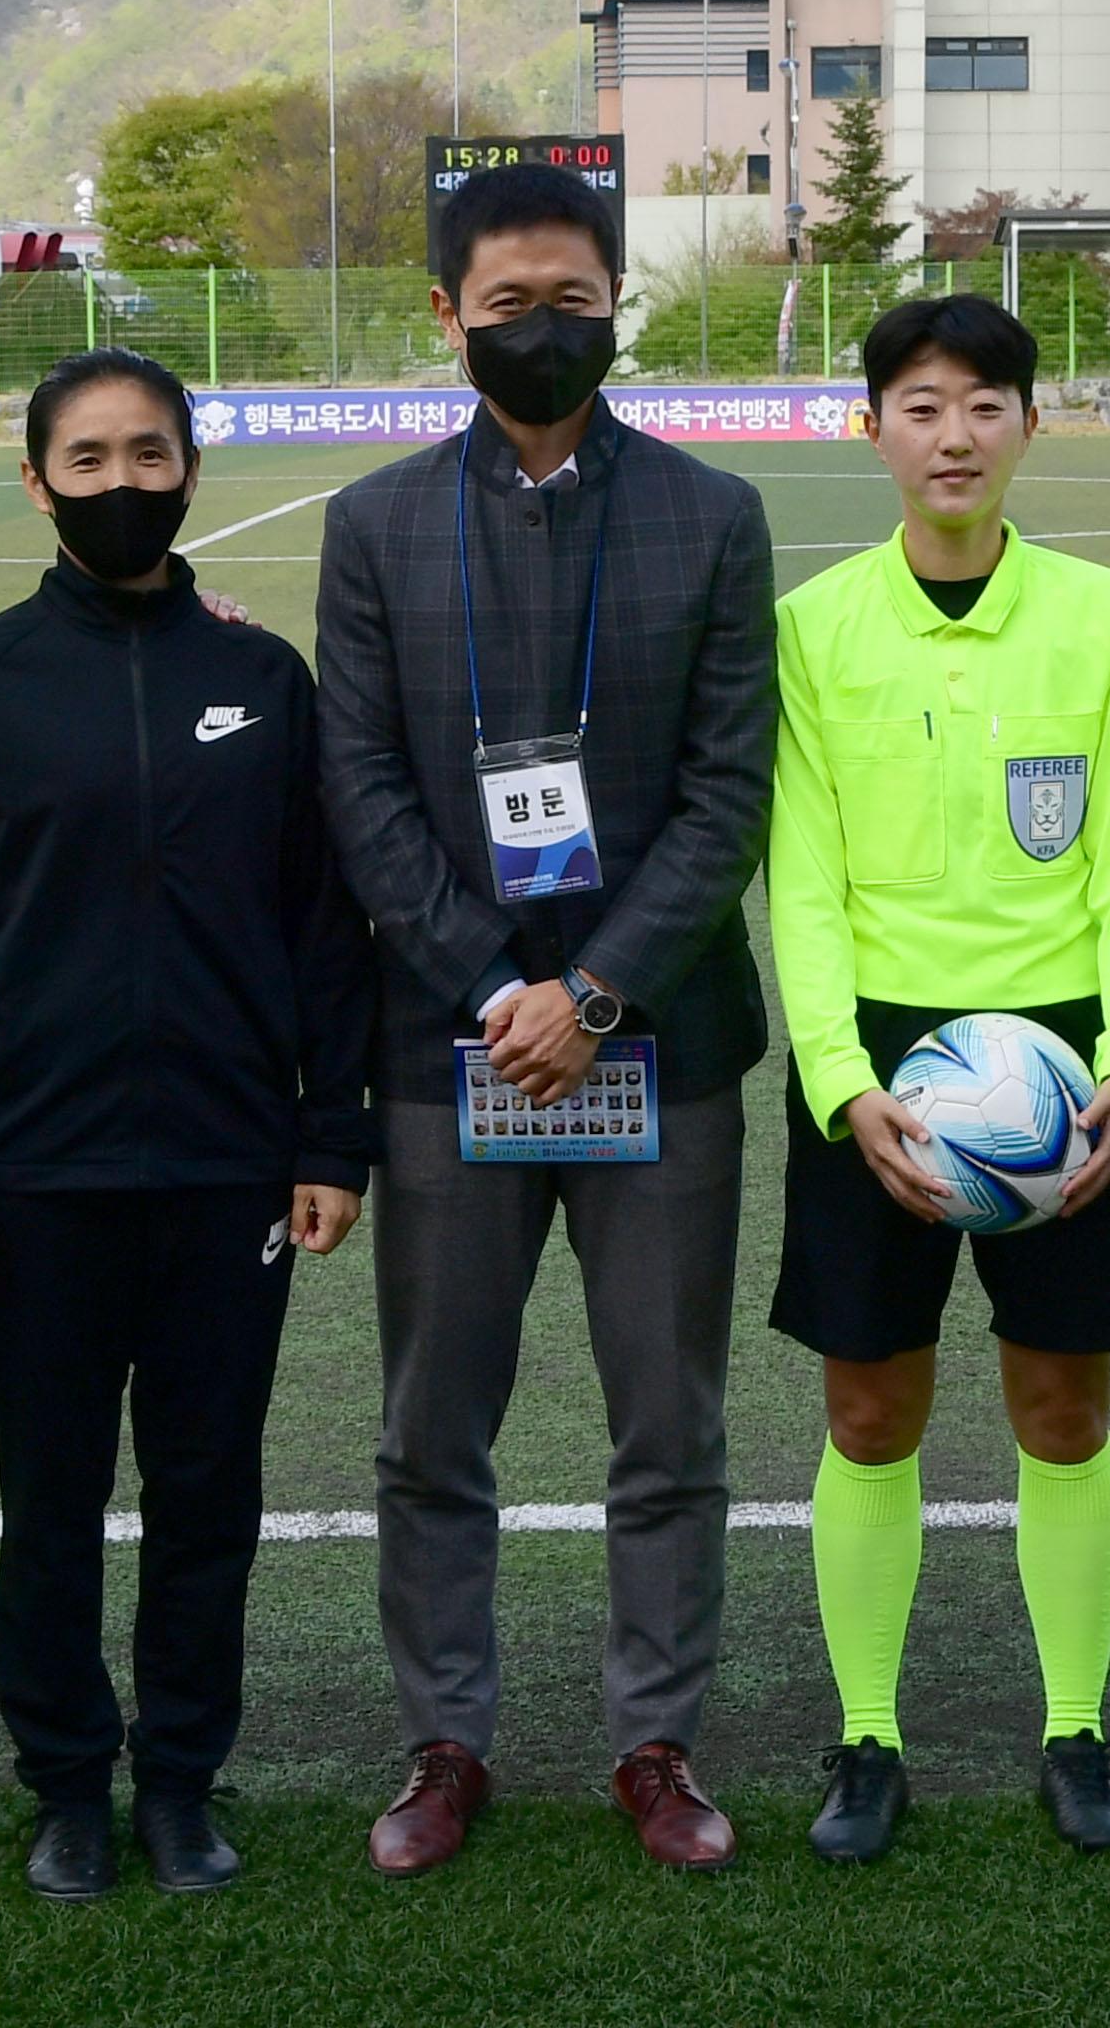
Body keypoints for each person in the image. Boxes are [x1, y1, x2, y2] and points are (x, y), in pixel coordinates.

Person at [314, 162, 779, 1876]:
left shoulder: (712, 517)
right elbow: (357, 788)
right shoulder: (371, 527)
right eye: (503, 305)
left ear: (615, 307)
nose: (539, 329)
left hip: (661, 1046)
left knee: (670, 1419)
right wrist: (495, 991)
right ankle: (447, 1739)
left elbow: (731, 793)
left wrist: (593, 994)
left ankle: (655, 1741)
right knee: (436, 1421)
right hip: (449, 1056)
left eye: (569, 300)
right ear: (446, 318)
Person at [0, 348, 374, 1904]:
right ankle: (66, 1786)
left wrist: (327, 1138)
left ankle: (180, 1779)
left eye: (147, 455)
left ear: (189, 470)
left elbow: (323, 924)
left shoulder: (261, 677)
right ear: (35, 484)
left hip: (230, 1167)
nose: (120, 485)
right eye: (84, 461)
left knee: (209, 1490)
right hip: (36, 1176)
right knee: (52, 1497)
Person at [767, 293, 1110, 1864]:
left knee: (1062, 1409)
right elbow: (799, 877)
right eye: (921, 405)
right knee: (871, 1412)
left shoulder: (1105, 616)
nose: (954, 435)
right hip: (878, 1059)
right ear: (873, 428)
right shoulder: (815, 629)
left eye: (985, 404)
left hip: (1066, 1053)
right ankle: (868, 1737)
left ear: (1027, 424)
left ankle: (1073, 1729)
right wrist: (837, 1083)